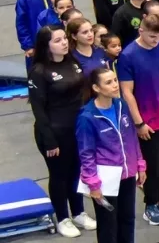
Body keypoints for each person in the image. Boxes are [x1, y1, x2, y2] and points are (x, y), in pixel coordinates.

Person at [116, 14, 159, 226]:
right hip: (148, 120)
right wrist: (138, 123)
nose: (155, 41)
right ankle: (150, 204)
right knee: (152, 165)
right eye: (151, 37)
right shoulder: (128, 55)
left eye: (158, 36)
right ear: (141, 31)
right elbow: (127, 92)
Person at [28, 26, 98, 238]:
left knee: (77, 171)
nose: (64, 43)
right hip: (54, 132)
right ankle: (62, 218)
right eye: (57, 41)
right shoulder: (39, 71)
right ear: (47, 46)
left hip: (77, 128)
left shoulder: (72, 62)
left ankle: (78, 212)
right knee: (59, 175)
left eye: (64, 39)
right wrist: (49, 141)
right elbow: (38, 109)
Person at [77, 68, 147, 241]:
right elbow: (86, 153)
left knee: (127, 219)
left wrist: (140, 164)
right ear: (96, 88)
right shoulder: (87, 117)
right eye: (108, 82)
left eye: (115, 80)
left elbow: (131, 137)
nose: (115, 85)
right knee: (108, 225)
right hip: (106, 180)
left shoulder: (122, 105)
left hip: (127, 174)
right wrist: (93, 183)